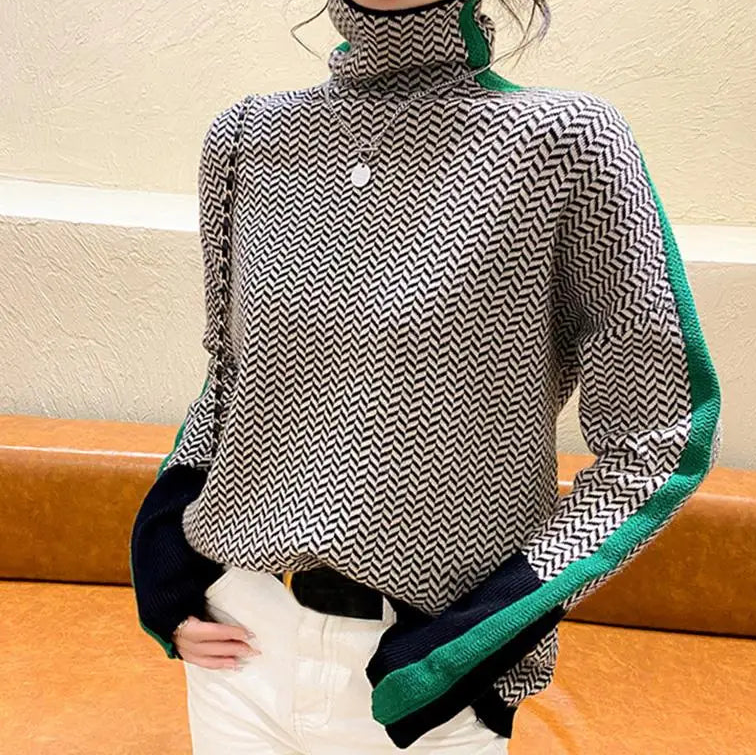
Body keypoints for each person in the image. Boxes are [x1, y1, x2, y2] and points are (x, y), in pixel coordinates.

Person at [129, 0, 723, 753]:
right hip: (239, 643)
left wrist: (481, 632)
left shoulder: (569, 143)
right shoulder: (247, 137)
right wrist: (163, 556)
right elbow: (229, 379)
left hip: (429, 673)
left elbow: (665, 437)